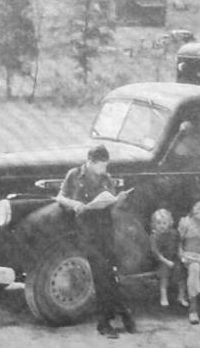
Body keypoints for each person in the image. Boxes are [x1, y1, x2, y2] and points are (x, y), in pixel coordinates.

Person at [56, 144, 135, 339]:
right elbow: (59, 197)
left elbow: (112, 208)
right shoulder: (74, 175)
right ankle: (107, 320)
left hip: (105, 229)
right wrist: (75, 204)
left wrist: (118, 201)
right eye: (101, 165)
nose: (104, 170)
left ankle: (118, 314)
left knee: (108, 273)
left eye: (106, 166)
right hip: (86, 230)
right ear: (90, 162)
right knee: (102, 274)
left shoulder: (106, 178)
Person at [149, 208, 186, 308]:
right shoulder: (154, 236)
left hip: (174, 258)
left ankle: (181, 295)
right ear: (154, 224)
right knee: (164, 276)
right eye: (158, 223)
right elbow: (156, 252)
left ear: (169, 223)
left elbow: (178, 245)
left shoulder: (174, 233)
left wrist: (181, 255)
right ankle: (163, 296)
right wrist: (166, 261)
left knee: (181, 275)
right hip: (162, 260)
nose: (161, 226)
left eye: (164, 223)